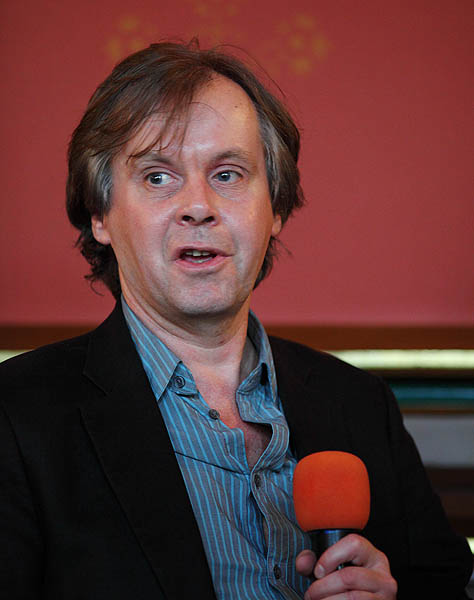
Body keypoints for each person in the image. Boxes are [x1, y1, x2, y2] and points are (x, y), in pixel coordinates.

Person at [0, 40, 471, 600]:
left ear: (275, 209)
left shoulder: (362, 405)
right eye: (157, 177)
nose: (198, 206)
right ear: (100, 215)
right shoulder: (17, 415)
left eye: (227, 174)